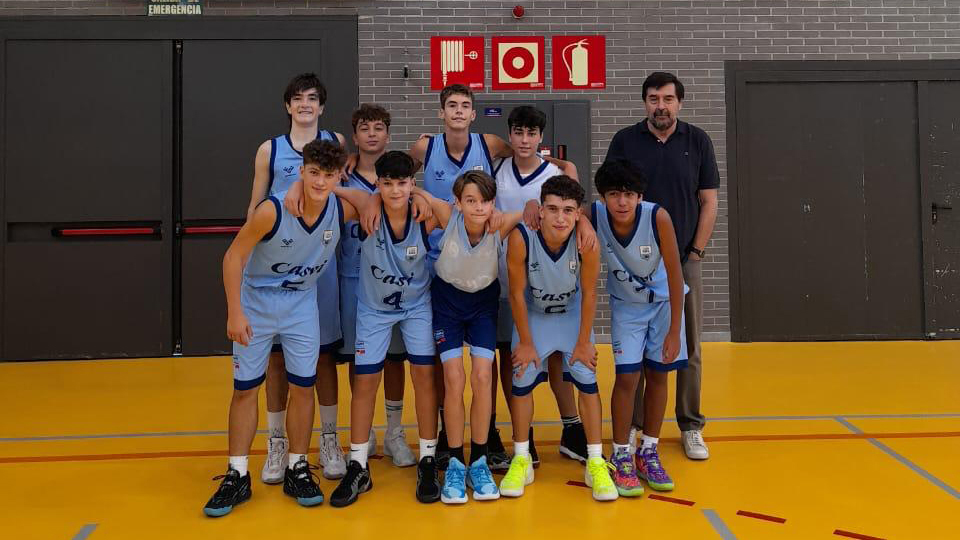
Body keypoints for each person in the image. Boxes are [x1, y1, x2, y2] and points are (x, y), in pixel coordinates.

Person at [204, 141, 357, 517]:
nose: (320, 182)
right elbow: (233, 256)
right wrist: (234, 311)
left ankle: (297, 466)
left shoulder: (343, 206)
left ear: (339, 177)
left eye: (329, 175)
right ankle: (236, 473)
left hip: (301, 303)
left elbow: (381, 201)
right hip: (256, 300)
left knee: (304, 387)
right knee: (245, 390)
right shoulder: (271, 211)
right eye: (313, 173)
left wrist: (334, 187)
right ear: (300, 172)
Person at [604, 71, 719, 461]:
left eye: (668, 99)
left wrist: (696, 253)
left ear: (679, 103)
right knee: (636, 351)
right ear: (644, 103)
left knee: (687, 345)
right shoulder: (625, 140)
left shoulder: (698, 141)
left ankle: (690, 425)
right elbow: (609, 194)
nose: (661, 106)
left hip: (682, 260)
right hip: (634, 264)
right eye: (653, 99)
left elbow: (709, 201)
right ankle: (635, 425)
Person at [245, 73, 347, 483]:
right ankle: (277, 443)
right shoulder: (270, 150)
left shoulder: (336, 142)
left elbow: (344, 191)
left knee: (322, 356)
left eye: (312, 99)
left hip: (318, 266)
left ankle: (328, 439)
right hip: (274, 270)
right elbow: (254, 205)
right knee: (275, 359)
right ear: (288, 106)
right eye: (298, 99)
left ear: (321, 106)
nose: (305, 105)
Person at [329, 151, 443, 507]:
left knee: (424, 376)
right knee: (365, 382)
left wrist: (425, 196)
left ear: (412, 183)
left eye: (403, 183)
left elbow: (461, 214)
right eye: (388, 184)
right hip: (374, 310)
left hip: (416, 307)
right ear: (377, 183)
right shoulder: (366, 210)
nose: (395, 191)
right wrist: (370, 198)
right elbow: (330, 189)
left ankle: (427, 458)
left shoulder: (424, 216)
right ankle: (358, 463)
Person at [498, 176, 617, 502]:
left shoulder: (586, 242)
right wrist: (524, 341)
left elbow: (591, 293)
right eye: (552, 209)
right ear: (542, 211)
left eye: (567, 210)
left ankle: (595, 461)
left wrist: (583, 342)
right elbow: (517, 294)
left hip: (571, 317)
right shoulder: (522, 238)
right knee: (521, 374)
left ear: (578, 214)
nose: (560, 217)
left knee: (586, 378)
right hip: (535, 317)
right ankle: (522, 456)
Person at [413, 171, 523, 503]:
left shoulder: (499, 224)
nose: (478, 208)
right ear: (458, 202)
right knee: (453, 377)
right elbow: (416, 192)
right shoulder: (449, 215)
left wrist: (513, 210)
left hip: (482, 307)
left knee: (482, 375)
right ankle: (456, 462)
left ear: (493, 203)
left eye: (485, 202)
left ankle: (479, 459)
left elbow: (534, 208)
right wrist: (419, 197)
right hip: (447, 304)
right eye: (470, 201)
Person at [492, 105, 590, 468]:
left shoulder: (555, 173)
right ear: (510, 135)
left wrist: (586, 225)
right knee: (513, 356)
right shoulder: (496, 170)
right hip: (504, 275)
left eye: (531, 134)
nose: (524, 140)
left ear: (540, 138)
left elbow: (577, 212)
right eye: (518, 132)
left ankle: (571, 427)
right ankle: (525, 435)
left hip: (550, 281)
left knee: (555, 358)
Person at [589, 160, 687, 496]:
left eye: (628, 194)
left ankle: (649, 450)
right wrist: (531, 206)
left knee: (659, 374)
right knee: (627, 376)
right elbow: (561, 202)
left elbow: (675, 272)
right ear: (602, 198)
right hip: (627, 308)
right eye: (614, 194)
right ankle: (621, 454)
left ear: (639, 196)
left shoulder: (657, 216)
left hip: (663, 305)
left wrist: (675, 328)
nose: (621, 201)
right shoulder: (595, 214)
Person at [336, 104, 416, 468]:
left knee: (396, 359)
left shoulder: (398, 179)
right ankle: (364, 431)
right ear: (355, 137)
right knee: (360, 358)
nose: (371, 134)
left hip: (397, 280)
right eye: (364, 128)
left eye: (379, 127)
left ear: (387, 134)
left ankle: (395, 431)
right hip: (352, 276)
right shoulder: (343, 177)